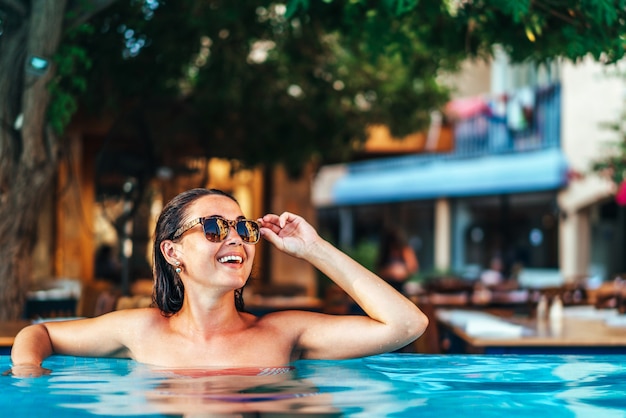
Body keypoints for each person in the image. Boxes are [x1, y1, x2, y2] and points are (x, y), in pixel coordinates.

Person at [11, 188, 428, 376]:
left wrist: (314, 248)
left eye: (243, 227)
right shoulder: (140, 330)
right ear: (172, 253)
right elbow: (39, 332)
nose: (234, 237)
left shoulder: (283, 333)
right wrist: (29, 373)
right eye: (214, 226)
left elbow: (407, 326)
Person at [376, 227, 419, 293]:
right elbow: (379, 270)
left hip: (401, 286)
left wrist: (402, 271)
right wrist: (390, 271)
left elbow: (413, 268)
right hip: (387, 286)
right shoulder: (385, 253)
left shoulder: (406, 250)